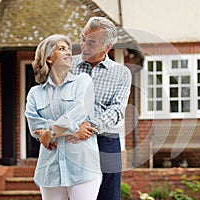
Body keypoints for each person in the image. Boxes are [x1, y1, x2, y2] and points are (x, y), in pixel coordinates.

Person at [25, 34, 101, 200]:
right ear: (49, 58)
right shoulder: (35, 93)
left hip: (83, 167)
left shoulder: (83, 81)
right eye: (61, 49)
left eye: (68, 49)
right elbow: (35, 127)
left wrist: (50, 132)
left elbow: (79, 111)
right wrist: (73, 130)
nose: (68, 52)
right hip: (50, 170)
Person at [68, 17, 132, 200]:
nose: (83, 46)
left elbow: (118, 109)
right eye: (82, 39)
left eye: (91, 43)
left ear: (107, 47)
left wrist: (90, 126)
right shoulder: (67, 66)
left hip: (107, 141)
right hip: (72, 137)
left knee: (109, 195)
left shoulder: (121, 73)